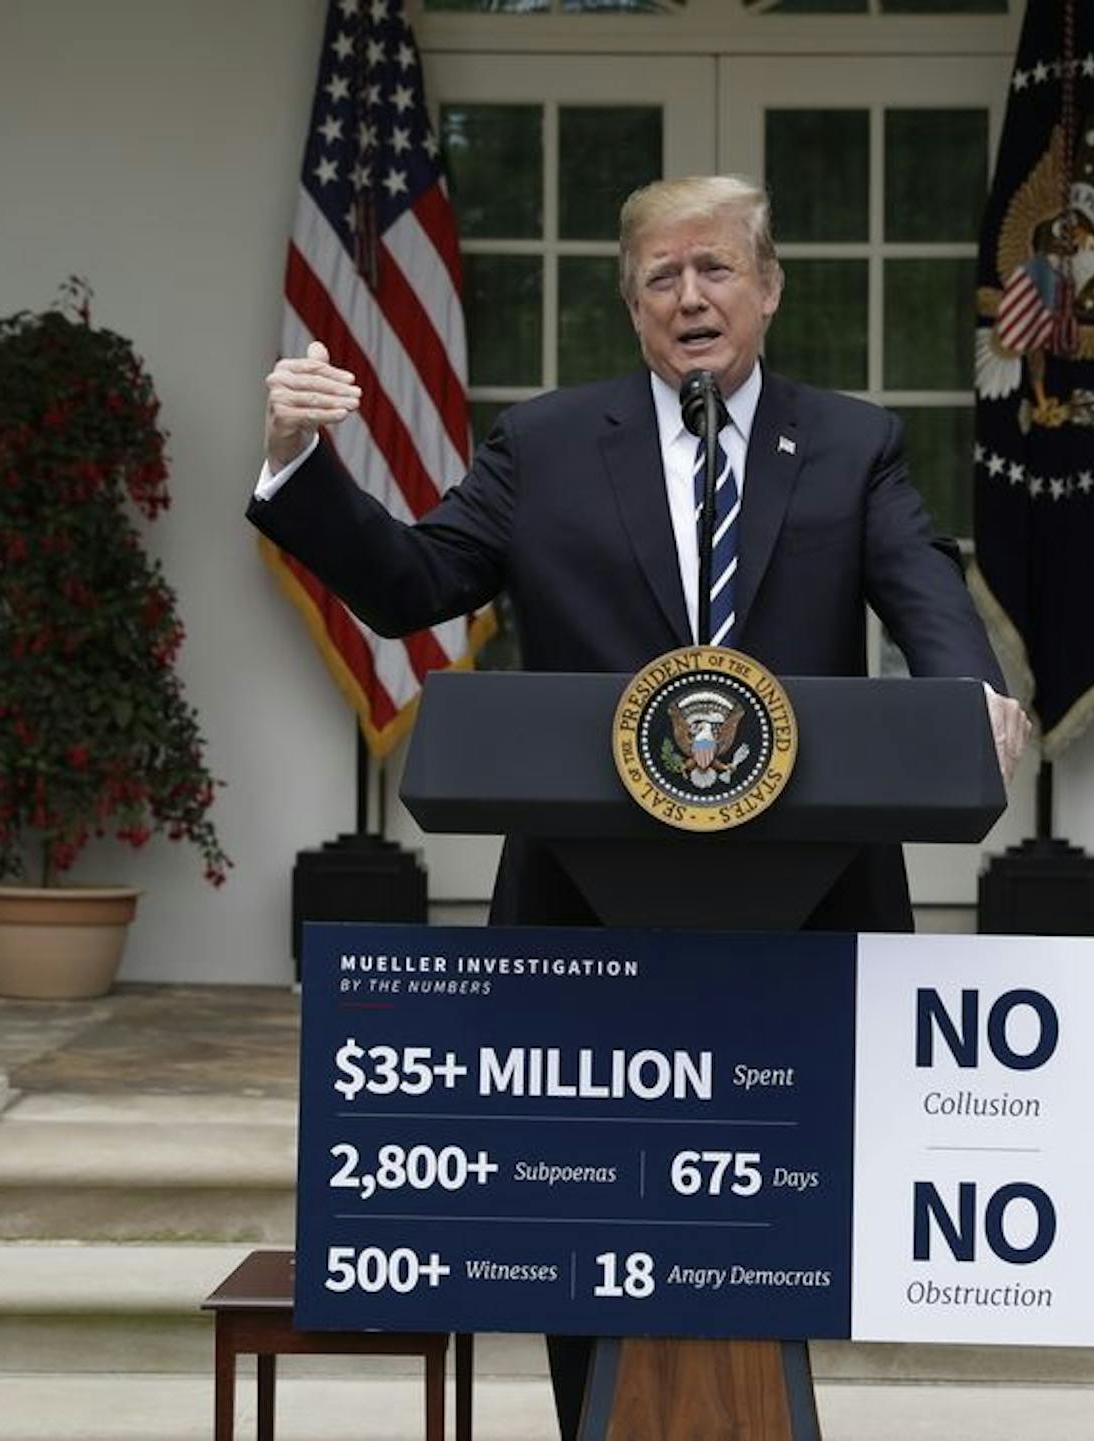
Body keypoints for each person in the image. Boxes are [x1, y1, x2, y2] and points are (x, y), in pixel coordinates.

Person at [249, 172, 1028, 1436]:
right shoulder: (547, 444)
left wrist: (969, 696)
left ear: (769, 291)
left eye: (717, 269)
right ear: (632, 308)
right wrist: (298, 463)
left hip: (799, 910)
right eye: (662, 277)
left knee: (779, 1223)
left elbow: (921, 590)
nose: (692, 297)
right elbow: (411, 581)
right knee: (585, 1223)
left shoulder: (851, 441)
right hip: (587, 912)